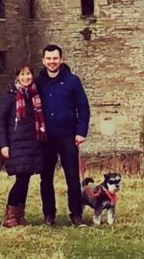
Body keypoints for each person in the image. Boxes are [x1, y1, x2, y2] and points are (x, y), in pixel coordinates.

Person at [36, 44, 90, 227]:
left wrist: (81, 132)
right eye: (49, 59)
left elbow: (83, 107)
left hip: (68, 136)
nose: (52, 62)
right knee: (46, 178)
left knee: (73, 178)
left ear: (61, 59)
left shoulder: (72, 81)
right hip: (46, 138)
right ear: (43, 61)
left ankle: (76, 215)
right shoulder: (38, 82)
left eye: (55, 58)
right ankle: (49, 215)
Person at [0, 64, 47, 228]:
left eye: (29, 74)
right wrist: (3, 145)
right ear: (17, 77)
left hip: (32, 144)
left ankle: (20, 215)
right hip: (16, 145)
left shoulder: (35, 95)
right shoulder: (10, 96)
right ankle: (10, 215)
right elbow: (1, 121)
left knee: (25, 180)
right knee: (21, 180)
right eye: (23, 75)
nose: (26, 77)